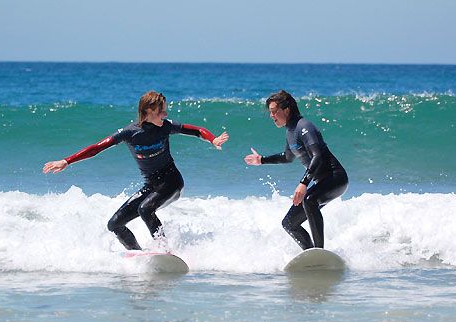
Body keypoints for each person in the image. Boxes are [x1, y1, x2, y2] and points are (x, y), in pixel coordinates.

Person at [43, 91, 229, 250]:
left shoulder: (165, 127)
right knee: (114, 224)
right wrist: (67, 161)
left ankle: (163, 249)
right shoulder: (129, 133)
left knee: (145, 209)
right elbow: (96, 147)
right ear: (148, 111)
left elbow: (197, 130)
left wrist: (213, 139)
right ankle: (139, 254)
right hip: (151, 186)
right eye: (160, 110)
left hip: (172, 182)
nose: (164, 114)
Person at [244, 90, 347, 250]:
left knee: (309, 200)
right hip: (323, 181)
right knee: (289, 223)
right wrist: (262, 160)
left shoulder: (304, 126)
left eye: (273, 111)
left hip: (336, 178)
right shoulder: (291, 132)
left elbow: (317, 155)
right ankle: (311, 253)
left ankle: (319, 251)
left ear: (286, 109)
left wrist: (303, 183)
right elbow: (287, 157)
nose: (271, 116)